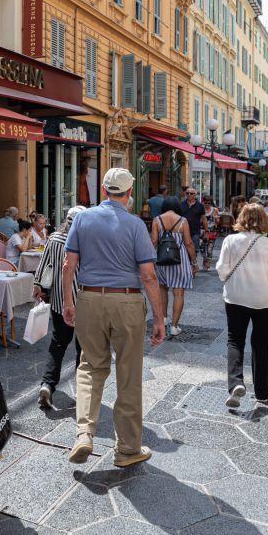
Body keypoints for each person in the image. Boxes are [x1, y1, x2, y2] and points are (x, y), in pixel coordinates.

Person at [61, 168, 165, 467]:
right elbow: (148, 275)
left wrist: (69, 302)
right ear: (129, 193)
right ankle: (128, 449)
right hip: (127, 300)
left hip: (89, 298)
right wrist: (159, 318)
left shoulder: (82, 218)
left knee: (90, 366)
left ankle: (84, 432)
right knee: (129, 374)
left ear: (105, 191)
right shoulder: (135, 225)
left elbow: (69, 266)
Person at [216, 202, 268, 408]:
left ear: (241, 218)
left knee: (235, 341)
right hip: (264, 301)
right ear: (264, 220)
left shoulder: (230, 241)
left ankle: (235, 384)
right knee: (260, 345)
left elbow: (222, 271)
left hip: (236, 298)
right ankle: (262, 391)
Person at [35, 205, 85, 409]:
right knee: (84, 349)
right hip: (82, 301)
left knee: (58, 343)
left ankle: (48, 384)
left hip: (59, 300)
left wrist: (38, 285)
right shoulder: (86, 241)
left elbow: (43, 264)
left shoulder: (54, 238)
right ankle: (84, 391)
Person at [151, 198, 195, 337]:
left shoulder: (157, 220)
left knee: (162, 288)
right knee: (178, 292)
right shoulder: (182, 221)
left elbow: (153, 241)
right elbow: (188, 242)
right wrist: (194, 260)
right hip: (179, 260)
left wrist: (151, 260)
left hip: (162, 259)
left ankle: (163, 318)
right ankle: (174, 326)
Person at [178, 187, 207, 275]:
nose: (189, 195)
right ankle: (187, 267)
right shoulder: (181, 204)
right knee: (184, 250)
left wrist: (206, 231)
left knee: (194, 250)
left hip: (195, 231)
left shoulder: (200, 206)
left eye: (191, 193)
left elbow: (203, 218)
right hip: (182, 232)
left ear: (195, 195)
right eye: (187, 193)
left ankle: (192, 267)